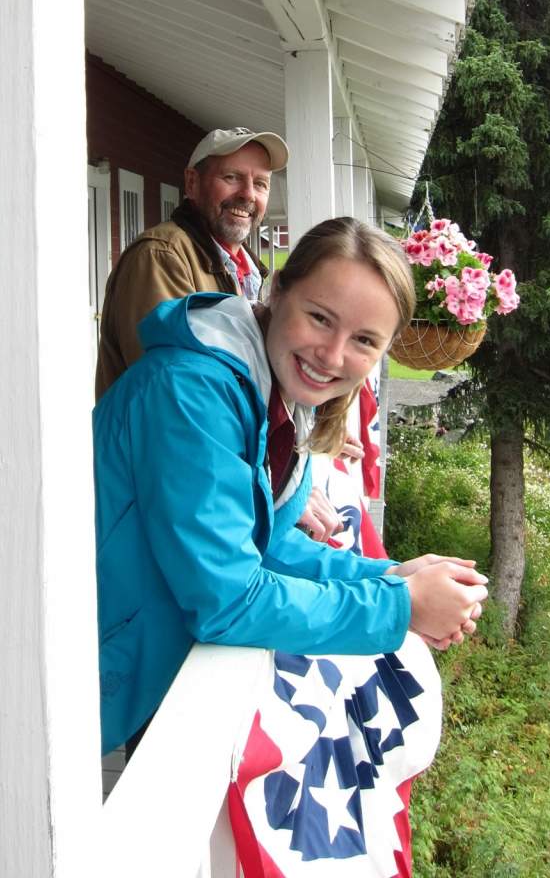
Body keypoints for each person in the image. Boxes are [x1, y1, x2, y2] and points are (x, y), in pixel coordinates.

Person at [92, 216, 488, 756]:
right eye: (320, 318)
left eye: (364, 341)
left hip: (140, 664)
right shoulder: (194, 392)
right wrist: (399, 608)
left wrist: (391, 575)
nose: (332, 355)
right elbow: (227, 599)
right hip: (78, 673)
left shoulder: (275, 387)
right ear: (277, 291)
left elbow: (268, 540)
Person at [94, 126, 288, 400]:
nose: (248, 195)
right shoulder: (160, 257)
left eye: (260, 184)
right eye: (232, 177)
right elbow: (177, 393)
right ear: (192, 183)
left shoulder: (248, 269)